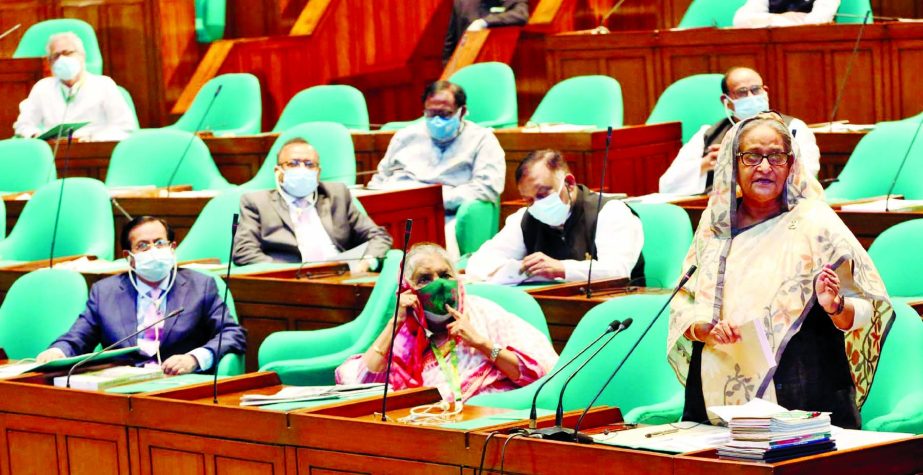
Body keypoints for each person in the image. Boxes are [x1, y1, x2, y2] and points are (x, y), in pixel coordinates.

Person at [666, 113, 892, 429]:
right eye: (752, 156)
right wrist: (704, 327)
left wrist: (836, 307)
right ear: (733, 163)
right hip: (718, 380)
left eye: (776, 157)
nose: (765, 167)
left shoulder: (816, 223)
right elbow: (683, 300)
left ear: (791, 164)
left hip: (804, 386)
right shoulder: (714, 228)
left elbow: (869, 308)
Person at [336, 243, 558, 403]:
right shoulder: (404, 332)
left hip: (488, 415)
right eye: (425, 279)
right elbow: (361, 385)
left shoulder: (485, 314)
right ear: (406, 288)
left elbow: (541, 375)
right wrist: (395, 324)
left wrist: (481, 343)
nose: (439, 285)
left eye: (445, 275)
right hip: (423, 423)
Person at [36, 216, 247, 375]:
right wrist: (57, 352)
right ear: (129, 257)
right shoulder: (105, 292)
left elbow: (232, 334)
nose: (154, 250)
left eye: (160, 243)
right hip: (122, 388)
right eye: (143, 245)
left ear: (172, 248)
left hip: (178, 386)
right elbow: (78, 337)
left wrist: (194, 358)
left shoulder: (200, 286)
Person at [368, 81, 505, 258]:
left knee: (434, 255)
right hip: (397, 211)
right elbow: (379, 179)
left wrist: (434, 200)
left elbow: (488, 187)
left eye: (445, 114)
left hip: (446, 214)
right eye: (431, 113)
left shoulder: (482, 140)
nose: (437, 121)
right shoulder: (405, 136)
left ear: (461, 112)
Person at [467, 149, 644, 285]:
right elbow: (478, 264)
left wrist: (561, 269)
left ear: (569, 183)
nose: (536, 205)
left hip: (617, 312)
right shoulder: (525, 219)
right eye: (528, 200)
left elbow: (618, 270)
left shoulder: (610, 211)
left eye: (543, 195)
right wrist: (514, 269)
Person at [233, 138, 392, 270]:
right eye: (293, 163)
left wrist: (367, 262)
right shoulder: (256, 203)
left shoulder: (337, 195)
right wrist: (291, 273)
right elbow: (244, 252)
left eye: (309, 164)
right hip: (289, 283)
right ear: (278, 171)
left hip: (341, 276)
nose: (302, 169)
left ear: (318, 172)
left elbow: (378, 236)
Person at [659, 67, 820, 196]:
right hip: (717, 214)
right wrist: (706, 163)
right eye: (742, 92)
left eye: (756, 90)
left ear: (765, 91)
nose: (751, 96)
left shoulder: (793, 128)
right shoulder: (709, 134)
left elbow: (806, 180)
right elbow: (667, 186)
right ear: (726, 101)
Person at [14, 32, 137, 141]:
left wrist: (91, 139)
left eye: (67, 53)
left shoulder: (104, 85)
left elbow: (124, 126)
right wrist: (35, 135)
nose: (62, 59)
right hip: (55, 154)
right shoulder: (42, 88)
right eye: (55, 56)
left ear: (82, 56)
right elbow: (23, 125)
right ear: (50, 63)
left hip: (95, 152)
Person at [443, 0, 530, 62]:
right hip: (467, 63)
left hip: (499, 61)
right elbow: (451, 39)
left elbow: (520, 14)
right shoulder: (461, 1)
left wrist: (484, 22)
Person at [734, 0, 841, 27]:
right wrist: (780, 17)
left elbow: (817, 21)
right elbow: (740, 20)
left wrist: (764, 20)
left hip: (811, 48)